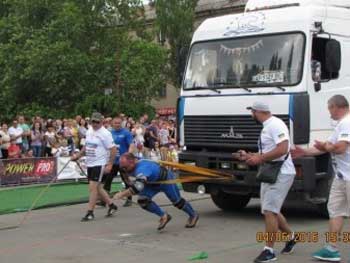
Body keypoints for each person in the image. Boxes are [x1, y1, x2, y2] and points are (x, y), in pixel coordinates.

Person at [292, 95, 350, 262]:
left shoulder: (346, 122)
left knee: (337, 211)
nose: (329, 113)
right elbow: (324, 148)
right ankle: (331, 249)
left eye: (329, 109)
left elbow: (339, 148)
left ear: (335, 107)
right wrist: (304, 152)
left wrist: (326, 146)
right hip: (341, 178)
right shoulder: (340, 125)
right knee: (335, 210)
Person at [237, 102, 297, 263]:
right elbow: (268, 152)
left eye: (252, 112)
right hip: (272, 173)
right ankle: (291, 237)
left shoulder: (275, 125)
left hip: (281, 173)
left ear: (258, 112)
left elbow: (283, 149)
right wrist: (249, 155)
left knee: (270, 211)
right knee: (270, 210)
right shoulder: (268, 126)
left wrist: (259, 158)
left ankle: (269, 251)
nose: (251, 116)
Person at [113, 153, 199, 230]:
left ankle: (193, 214)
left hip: (166, 180)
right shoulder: (129, 165)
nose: (124, 169)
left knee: (177, 202)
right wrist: (128, 181)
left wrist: (121, 194)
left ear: (133, 162)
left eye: (126, 167)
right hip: (151, 183)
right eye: (122, 167)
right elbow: (127, 177)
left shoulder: (142, 168)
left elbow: (138, 187)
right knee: (143, 201)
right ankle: (164, 216)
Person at [71, 112, 118, 221]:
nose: (95, 124)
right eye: (93, 121)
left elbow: (113, 149)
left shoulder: (105, 133)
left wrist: (110, 164)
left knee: (92, 188)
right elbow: (87, 146)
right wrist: (78, 155)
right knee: (98, 187)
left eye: (97, 122)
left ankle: (90, 212)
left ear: (102, 122)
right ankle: (111, 205)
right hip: (90, 162)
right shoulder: (89, 130)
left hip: (99, 163)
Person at [104, 117, 135, 207]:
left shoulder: (126, 133)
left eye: (119, 123)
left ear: (121, 123)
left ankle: (129, 199)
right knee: (108, 180)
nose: (117, 124)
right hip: (113, 161)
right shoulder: (109, 133)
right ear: (112, 124)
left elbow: (131, 145)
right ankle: (104, 200)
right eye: (115, 123)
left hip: (123, 162)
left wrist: (128, 156)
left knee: (126, 180)